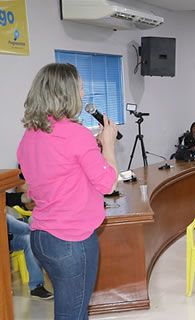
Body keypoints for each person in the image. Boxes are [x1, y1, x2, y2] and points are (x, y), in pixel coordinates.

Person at [17, 63, 118, 318]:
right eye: (80, 88)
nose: (83, 94)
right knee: (73, 314)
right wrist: (108, 146)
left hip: (42, 236)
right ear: (66, 92)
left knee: (70, 309)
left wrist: (90, 151)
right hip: (72, 241)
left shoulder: (29, 136)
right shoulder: (76, 135)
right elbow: (108, 183)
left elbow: (51, 177)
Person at [5, 190, 53, 299]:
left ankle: (36, 287)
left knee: (29, 240)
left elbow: (4, 197)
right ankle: (39, 228)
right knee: (7, 220)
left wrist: (22, 197)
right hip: (5, 235)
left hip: (7, 236)